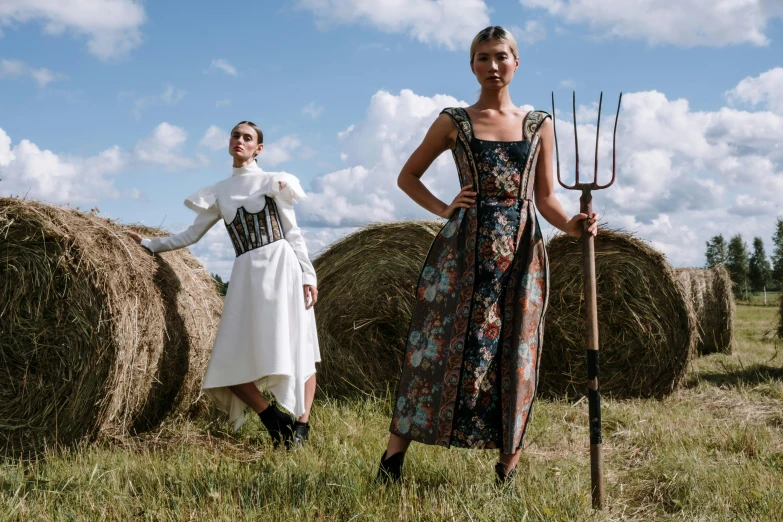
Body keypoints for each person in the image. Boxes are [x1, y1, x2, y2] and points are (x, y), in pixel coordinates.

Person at [378, 26, 598, 484]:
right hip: (461, 254)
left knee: (517, 350)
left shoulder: (539, 125)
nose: (492, 66)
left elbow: (546, 198)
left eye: (501, 56)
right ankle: (391, 463)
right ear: (472, 65)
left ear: (517, 63)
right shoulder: (453, 120)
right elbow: (408, 176)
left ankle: (507, 471)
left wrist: (573, 226)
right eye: (482, 57)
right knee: (433, 347)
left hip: (520, 254)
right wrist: (445, 208)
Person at [128, 121, 320, 448]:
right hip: (246, 272)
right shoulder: (218, 191)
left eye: (248, 138)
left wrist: (308, 275)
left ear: (259, 148)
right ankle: (275, 420)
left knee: (298, 345)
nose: (240, 141)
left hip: (281, 265)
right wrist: (147, 244)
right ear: (229, 142)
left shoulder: (275, 182)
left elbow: (293, 234)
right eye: (236, 135)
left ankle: (301, 428)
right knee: (229, 358)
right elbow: (189, 235)